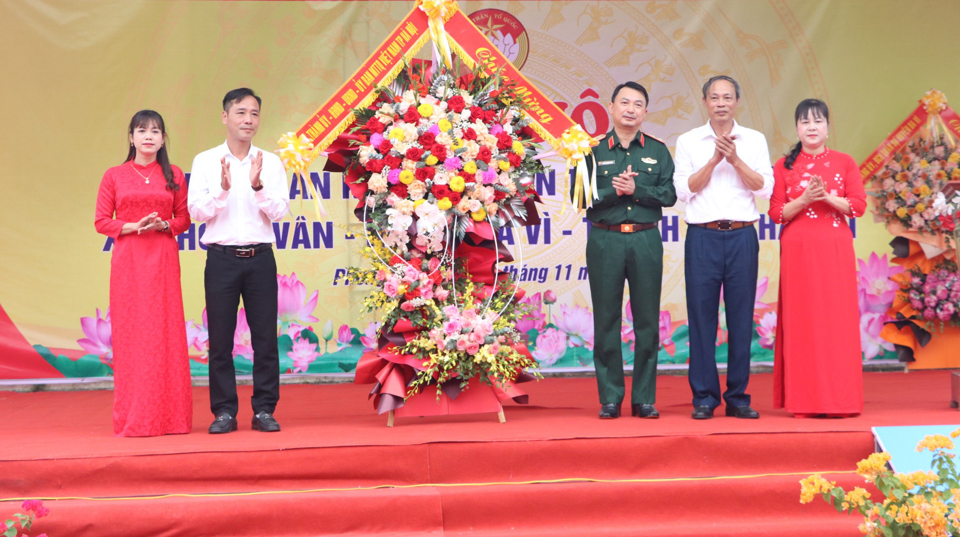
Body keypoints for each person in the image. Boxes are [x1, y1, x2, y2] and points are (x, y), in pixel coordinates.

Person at [188, 88, 289, 434]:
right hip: (222, 260)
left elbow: (281, 212)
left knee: (265, 340)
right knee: (221, 341)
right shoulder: (205, 161)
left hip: (260, 258)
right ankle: (224, 412)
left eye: (254, 114)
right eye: (241, 113)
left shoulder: (270, 161)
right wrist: (223, 189)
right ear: (225, 117)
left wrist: (258, 186)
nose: (248, 120)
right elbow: (196, 212)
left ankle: (264, 410)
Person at [574, 81, 677, 419]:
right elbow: (579, 198)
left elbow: (669, 196)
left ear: (646, 112)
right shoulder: (592, 149)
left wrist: (637, 188)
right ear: (612, 107)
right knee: (606, 319)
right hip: (606, 239)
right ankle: (611, 397)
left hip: (646, 239)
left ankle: (644, 398)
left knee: (647, 320)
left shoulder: (659, 150)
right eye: (624, 103)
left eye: (638, 104)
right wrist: (614, 193)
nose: (630, 109)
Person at [673, 76, 774, 420]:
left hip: (742, 236)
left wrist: (735, 160)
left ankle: (738, 396)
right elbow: (683, 190)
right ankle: (703, 397)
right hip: (702, 237)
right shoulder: (688, 141)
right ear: (704, 102)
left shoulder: (755, 140)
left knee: (741, 319)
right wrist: (715, 159)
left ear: (736, 103)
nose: (720, 103)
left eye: (727, 97)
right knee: (701, 319)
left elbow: (764, 189)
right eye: (714, 97)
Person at [95, 110, 193, 436]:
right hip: (129, 260)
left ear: (164, 139)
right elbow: (101, 221)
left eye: (155, 131)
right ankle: (134, 416)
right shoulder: (114, 175)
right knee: (133, 335)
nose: (148, 136)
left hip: (163, 258)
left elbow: (184, 219)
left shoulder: (174, 173)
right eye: (142, 130)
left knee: (164, 334)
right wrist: (131, 226)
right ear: (131, 137)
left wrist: (165, 224)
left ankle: (171, 418)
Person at [769, 99, 865, 417]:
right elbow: (776, 213)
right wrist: (805, 199)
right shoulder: (783, 165)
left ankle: (841, 400)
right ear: (797, 127)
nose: (812, 127)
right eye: (805, 122)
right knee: (803, 323)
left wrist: (826, 197)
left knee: (837, 322)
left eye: (818, 121)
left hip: (835, 249)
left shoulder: (844, 162)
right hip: (798, 251)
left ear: (827, 126)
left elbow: (858, 206)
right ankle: (804, 401)